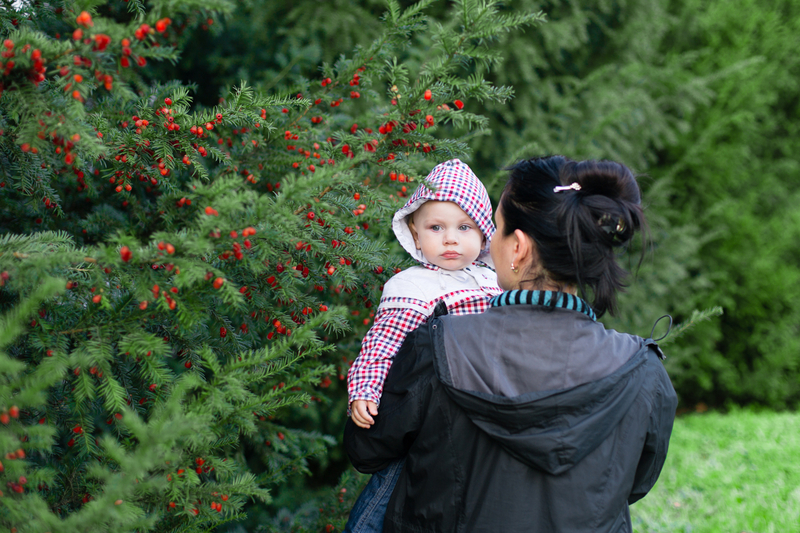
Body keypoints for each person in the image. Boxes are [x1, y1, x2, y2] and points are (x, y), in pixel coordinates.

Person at [344, 155, 678, 533]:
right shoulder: (644, 371)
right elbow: (635, 483)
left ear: (517, 247)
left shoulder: (439, 346)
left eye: (495, 228)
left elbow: (366, 449)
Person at [344, 159, 502, 533]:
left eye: (464, 227)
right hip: (427, 419)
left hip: (481, 417)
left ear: (484, 234)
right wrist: (364, 391)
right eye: (436, 228)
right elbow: (380, 346)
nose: (450, 239)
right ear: (415, 235)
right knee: (395, 485)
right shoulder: (412, 287)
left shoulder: (495, 282)